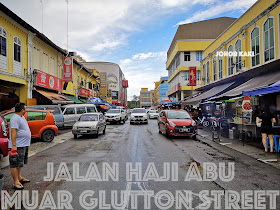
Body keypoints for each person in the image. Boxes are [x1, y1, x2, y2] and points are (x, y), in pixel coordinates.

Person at [9, 103, 31, 190]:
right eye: (25, 109)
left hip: (23, 144)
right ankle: (15, 182)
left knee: (20, 162)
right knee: (14, 163)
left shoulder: (21, 117)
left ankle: (19, 177)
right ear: (22, 110)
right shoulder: (15, 118)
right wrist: (14, 145)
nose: (26, 110)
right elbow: (13, 131)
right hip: (17, 145)